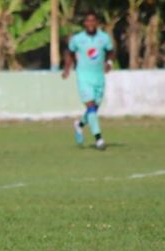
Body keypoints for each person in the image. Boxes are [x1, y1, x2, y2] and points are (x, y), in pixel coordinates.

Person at [62, 11, 114, 150]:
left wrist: (109, 62)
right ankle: (99, 139)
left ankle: (79, 125)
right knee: (90, 107)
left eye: (93, 21)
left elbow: (111, 51)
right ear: (84, 23)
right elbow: (70, 52)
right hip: (83, 77)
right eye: (88, 21)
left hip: (98, 77)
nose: (90, 23)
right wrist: (67, 68)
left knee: (93, 110)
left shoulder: (104, 38)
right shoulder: (77, 39)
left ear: (97, 22)